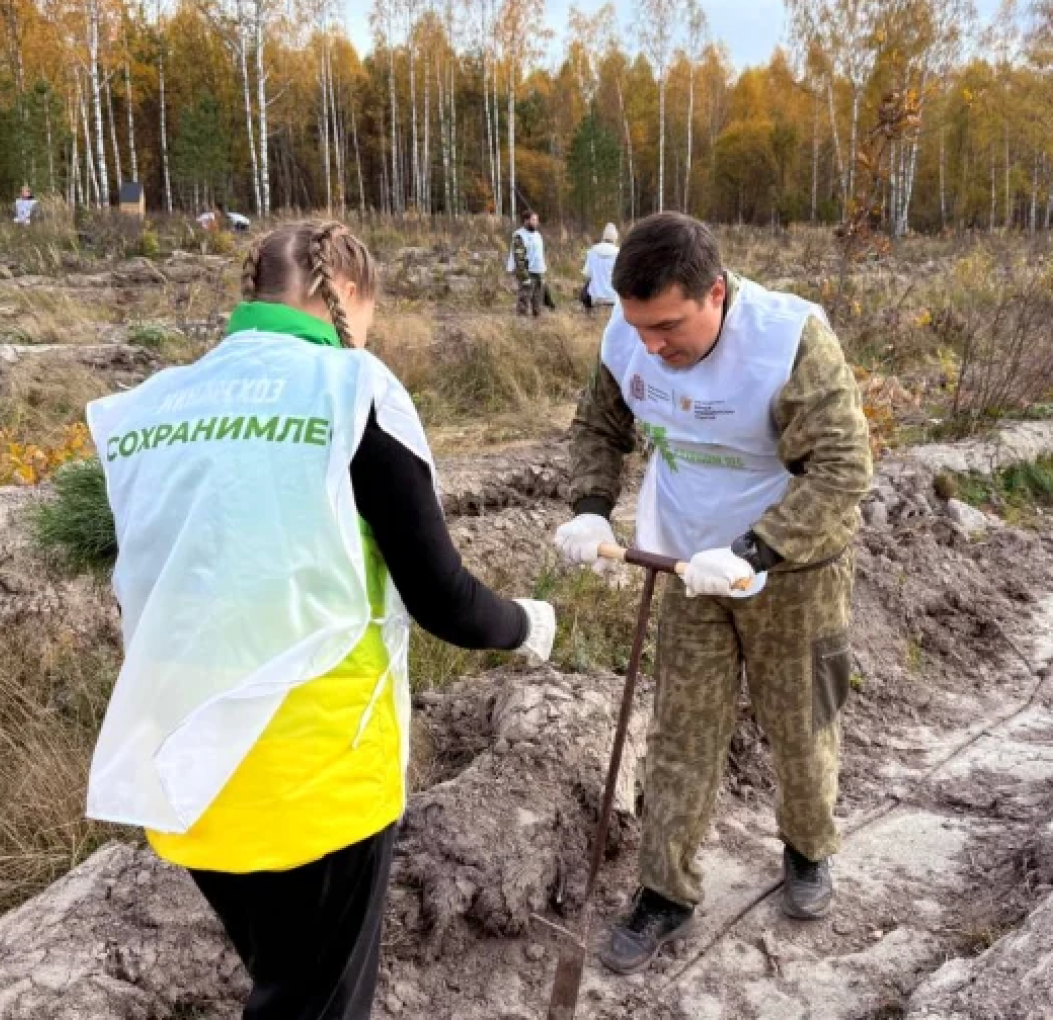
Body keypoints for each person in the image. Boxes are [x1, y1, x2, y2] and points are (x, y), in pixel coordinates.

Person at [83, 219, 558, 1020]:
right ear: (345, 291)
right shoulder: (351, 388)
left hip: (186, 766)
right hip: (313, 775)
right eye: (370, 310)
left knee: (282, 978)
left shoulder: (156, 403)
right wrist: (527, 625)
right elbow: (441, 596)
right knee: (313, 1004)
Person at [553, 212, 872, 975]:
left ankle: (808, 848)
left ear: (716, 293)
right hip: (686, 565)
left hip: (794, 568)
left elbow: (842, 470)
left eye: (669, 327)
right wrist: (590, 506)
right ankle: (665, 892)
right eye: (639, 327)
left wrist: (752, 552)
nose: (652, 347)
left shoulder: (788, 341)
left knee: (801, 721)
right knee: (681, 733)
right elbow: (597, 427)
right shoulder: (628, 336)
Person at [506, 210, 550, 317]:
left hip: (538, 271)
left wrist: (542, 270)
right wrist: (524, 276)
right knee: (524, 299)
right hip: (527, 271)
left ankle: (537, 321)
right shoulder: (519, 235)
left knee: (538, 301)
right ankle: (522, 322)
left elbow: (539, 254)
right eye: (533, 220)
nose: (536, 222)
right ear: (526, 221)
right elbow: (519, 257)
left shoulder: (537, 235)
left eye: (537, 220)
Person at [580, 222, 620, 312]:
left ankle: (588, 311)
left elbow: (587, 274)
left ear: (603, 236)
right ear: (615, 237)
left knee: (585, 288)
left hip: (595, 297)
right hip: (614, 297)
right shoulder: (619, 253)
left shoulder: (592, 251)